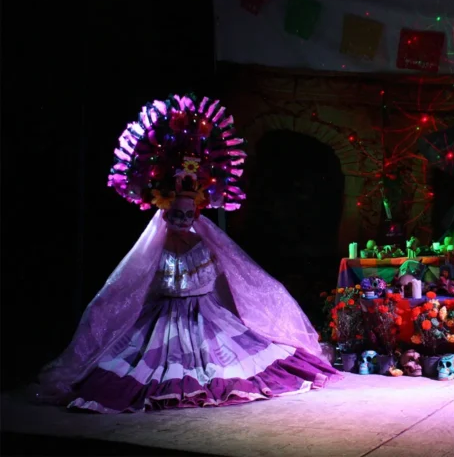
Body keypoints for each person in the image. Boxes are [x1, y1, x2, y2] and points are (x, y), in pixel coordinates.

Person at [34, 94, 340, 413]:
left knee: (233, 361)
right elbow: (136, 284)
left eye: (187, 214)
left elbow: (222, 279)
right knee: (141, 365)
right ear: (166, 212)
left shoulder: (204, 246)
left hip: (204, 314)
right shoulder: (157, 247)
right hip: (164, 318)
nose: (181, 220)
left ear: (196, 213)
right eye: (176, 214)